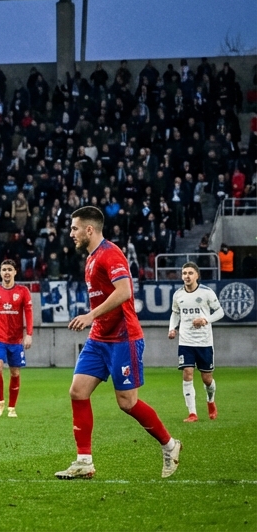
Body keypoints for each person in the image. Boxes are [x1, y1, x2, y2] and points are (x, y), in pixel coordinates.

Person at [56, 206, 180, 480]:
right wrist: (95, 321)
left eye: (75, 228)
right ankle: (84, 461)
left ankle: (170, 445)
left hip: (123, 338)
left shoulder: (110, 253)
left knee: (127, 403)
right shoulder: (91, 258)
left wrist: (90, 315)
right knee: (77, 392)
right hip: (99, 338)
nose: (71, 233)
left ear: (89, 229)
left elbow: (124, 291)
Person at [168, 262, 224, 422]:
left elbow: (220, 312)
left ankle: (210, 401)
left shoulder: (207, 293)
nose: (187, 276)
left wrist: (205, 320)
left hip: (204, 342)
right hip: (185, 341)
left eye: (190, 273)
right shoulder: (178, 295)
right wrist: (172, 328)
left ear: (197, 275)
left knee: (207, 378)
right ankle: (192, 413)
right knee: (187, 373)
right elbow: (175, 313)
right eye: (184, 273)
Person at [0, 259, 33, 417]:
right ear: (0, 272)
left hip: (16, 340)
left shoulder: (23, 291)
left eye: (10, 269)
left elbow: (28, 313)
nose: (7, 272)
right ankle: (0, 403)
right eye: (4, 269)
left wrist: (29, 334)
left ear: (15, 272)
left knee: (15, 372)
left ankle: (12, 407)